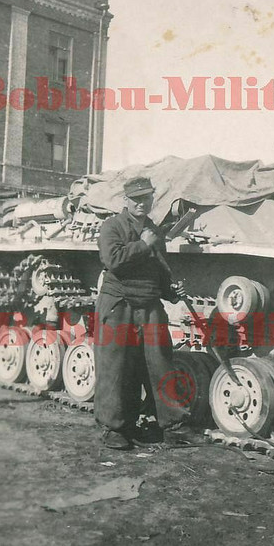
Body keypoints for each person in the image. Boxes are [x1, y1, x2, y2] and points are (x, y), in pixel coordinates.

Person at [94, 175, 198, 450]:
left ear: (152, 199)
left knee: (160, 364)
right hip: (119, 305)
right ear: (125, 200)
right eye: (136, 198)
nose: (142, 203)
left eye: (146, 198)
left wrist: (172, 291)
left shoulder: (153, 230)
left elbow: (159, 272)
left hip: (150, 305)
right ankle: (115, 428)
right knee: (117, 367)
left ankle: (173, 427)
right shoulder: (112, 226)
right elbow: (113, 260)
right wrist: (144, 244)